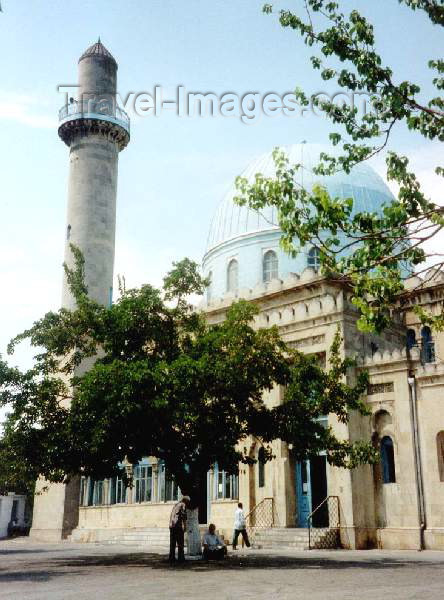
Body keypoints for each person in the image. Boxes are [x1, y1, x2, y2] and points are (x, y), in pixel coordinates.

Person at [169, 495, 190, 563]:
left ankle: (171, 558)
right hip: (178, 526)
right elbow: (183, 516)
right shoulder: (183, 505)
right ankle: (181, 558)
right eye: (188, 502)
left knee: (173, 543)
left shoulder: (176, 505)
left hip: (172, 526)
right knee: (180, 543)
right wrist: (185, 526)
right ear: (186, 501)